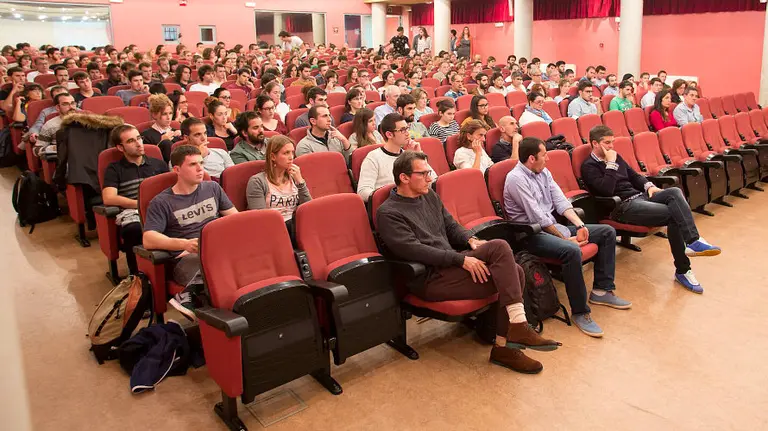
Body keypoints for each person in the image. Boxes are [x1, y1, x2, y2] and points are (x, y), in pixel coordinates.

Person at [377, 150, 560, 373]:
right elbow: (415, 250)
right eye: (423, 173)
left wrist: (470, 240)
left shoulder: (429, 196)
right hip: (428, 278)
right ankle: (518, 328)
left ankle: (505, 347)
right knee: (501, 248)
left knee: (517, 271)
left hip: (450, 267)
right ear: (404, 178)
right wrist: (461, 260)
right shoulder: (388, 212)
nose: (430, 178)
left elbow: (451, 226)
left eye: (429, 172)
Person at [504, 137, 624, 337]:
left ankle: (602, 291)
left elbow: (560, 201)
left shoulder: (543, 172)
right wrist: (564, 239)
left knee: (607, 232)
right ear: (532, 158)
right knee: (571, 250)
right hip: (530, 234)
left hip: (553, 227)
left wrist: (580, 225)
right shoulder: (516, 178)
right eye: (544, 155)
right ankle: (580, 312)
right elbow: (537, 217)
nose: (548, 158)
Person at [580, 126, 721, 294]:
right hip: (620, 206)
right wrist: (610, 163)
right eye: (607, 143)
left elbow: (634, 176)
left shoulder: (616, 157)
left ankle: (692, 242)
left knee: (674, 192)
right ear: (595, 143)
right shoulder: (588, 166)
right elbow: (606, 190)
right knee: (675, 216)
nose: (611, 147)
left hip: (640, 197)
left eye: (613, 142)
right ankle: (683, 269)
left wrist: (650, 186)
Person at [143, 144, 237, 319]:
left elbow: (234, 219)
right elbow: (148, 238)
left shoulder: (213, 188)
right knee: (224, 271)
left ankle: (191, 295)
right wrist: (184, 244)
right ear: (177, 169)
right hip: (186, 259)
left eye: (201, 162)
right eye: (193, 164)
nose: (200, 169)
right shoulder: (162, 201)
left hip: (217, 250)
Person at [103, 125, 169, 274]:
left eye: (139, 138)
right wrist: (140, 205)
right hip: (132, 213)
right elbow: (108, 198)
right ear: (120, 147)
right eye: (131, 141)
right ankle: (138, 276)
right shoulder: (114, 169)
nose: (139, 143)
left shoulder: (158, 164)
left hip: (160, 209)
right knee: (134, 229)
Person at [357, 113, 433, 202]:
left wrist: (419, 155)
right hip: (390, 207)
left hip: (414, 202)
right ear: (389, 134)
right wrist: (395, 193)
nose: (408, 133)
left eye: (407, 128)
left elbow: (433, 182)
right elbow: (363, 193)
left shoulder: (408, 156)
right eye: (403, 130)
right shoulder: (373, 158)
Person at [246, 133, 311, 228]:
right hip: (273, 229)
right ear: (273, 157)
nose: (291, 157)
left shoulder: (294, 176)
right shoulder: (257, 182)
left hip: (297, 226)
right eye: (286, 153)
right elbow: (260, 219)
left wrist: (300, 182)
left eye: (292, 152)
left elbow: (309, 209)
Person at [141, 94, 182, 162]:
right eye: (164, 114)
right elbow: (149, 159)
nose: (169, 117)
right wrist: (161, 142)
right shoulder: (146, 135)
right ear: (154, 115)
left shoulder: (177, 132)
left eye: (170, 113)